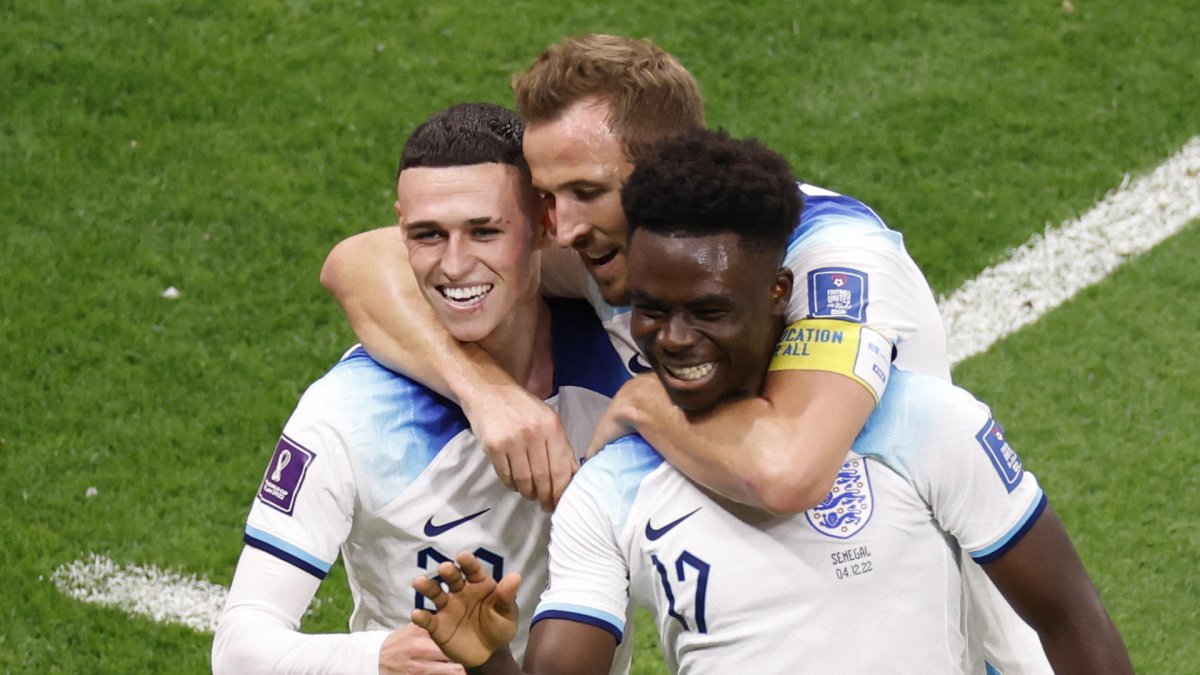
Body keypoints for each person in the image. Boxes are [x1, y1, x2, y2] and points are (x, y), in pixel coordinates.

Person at [320, 34, 1040, 673]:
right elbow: (360, 262)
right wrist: (487, 392)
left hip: (928, 639)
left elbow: (789, 469)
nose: (560, 229)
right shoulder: (613, 242)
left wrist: (643, 403)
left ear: (666, 170)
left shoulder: (830, 259)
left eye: (586, 191)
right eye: (544, 195)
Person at [409, 128, 1134, 675]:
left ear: (779, 292)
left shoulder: (925, 425)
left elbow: (1070, 616)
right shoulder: (610, 488)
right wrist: (488, 660)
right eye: (653, 311)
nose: (676, 339)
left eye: (709, 310)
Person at [211, 103, 629, 674]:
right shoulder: (348, 414)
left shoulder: (625, 349)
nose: (455, 266)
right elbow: (238, 645)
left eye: (485, 231)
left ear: (544, 223)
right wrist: (378, 658)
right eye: (428, 235)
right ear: (399, 226)